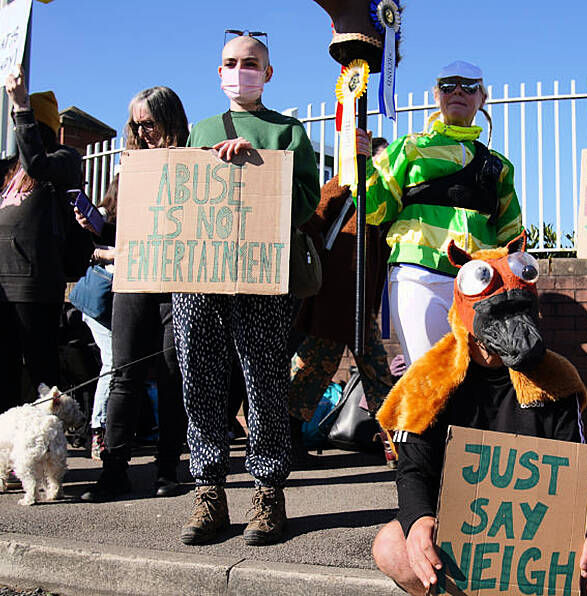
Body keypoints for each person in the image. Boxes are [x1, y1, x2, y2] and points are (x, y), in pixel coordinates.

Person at [372, 235, 587, 596]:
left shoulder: (556, 379)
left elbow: (575, 468)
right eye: (499, 315)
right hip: (457, 528)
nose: (514, 330)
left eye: (520, 313)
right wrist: (419, 518)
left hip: (536, 532)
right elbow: (413, 470)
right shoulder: (429, 383)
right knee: (391, 547)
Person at [173, 32, 320, 546]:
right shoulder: (199, 131)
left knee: (264, 382)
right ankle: (208, 489)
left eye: (251, 63)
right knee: (200, 380)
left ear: (268, 73)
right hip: (200, 279)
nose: (241, 70)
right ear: (219, 72)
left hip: (262, 277)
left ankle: (267, 491)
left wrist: (257, 163)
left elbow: (305, 207)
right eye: (232, 63)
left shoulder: (289, 132)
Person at [356, 60, 523, 366]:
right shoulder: (408, 148)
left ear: (482, 97)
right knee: (429, 378)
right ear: (436, 95)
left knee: (478, 384)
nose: (458, 91)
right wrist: (361, 164)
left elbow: (511, 235)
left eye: (469, 86)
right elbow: (375, 210)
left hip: (480, 284)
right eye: (448, 86)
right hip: (419, 276)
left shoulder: (499, 166)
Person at [80, 87, 190, 502]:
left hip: (175, 284)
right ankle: (114, 470)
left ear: (171, 120)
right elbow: (117, 228)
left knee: (170, 376)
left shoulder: (190, 162)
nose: (142, 131)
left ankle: (167, 469)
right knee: (123, 376)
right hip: (131, 280)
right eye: (135, 124)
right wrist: (95, 226)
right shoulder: (127, 168)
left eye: (150, 123)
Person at [289, 137, 394, 467]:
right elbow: (313, 216)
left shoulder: (385, 198)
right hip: (332, 297)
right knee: (311, 369)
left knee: (377, 375)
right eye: (377, 161)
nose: (381, 168)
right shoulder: (344, 183)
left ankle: (398, 445)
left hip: (361, 305)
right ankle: (286, 442)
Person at [0, 69, 84, 414]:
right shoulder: (7, 170)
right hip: (2, 285)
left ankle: (48, 453)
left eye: (25, 122)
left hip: (34, 285)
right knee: (4, 374)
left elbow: (35, 162)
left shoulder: (63, 159)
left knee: (41, 376)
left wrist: (21, 105)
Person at [79, 176, 118, 460]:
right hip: (98, 301)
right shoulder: (103, 217)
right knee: (113, 361)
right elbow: (87, 250)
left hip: (113, 301)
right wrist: (115, 253)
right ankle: (98, 429)